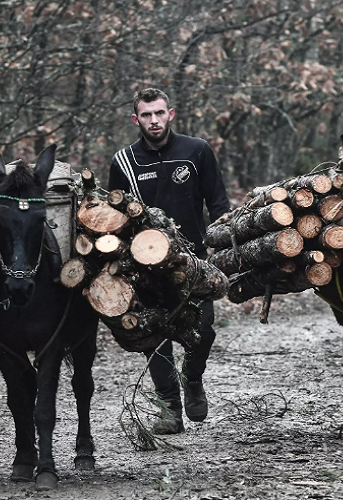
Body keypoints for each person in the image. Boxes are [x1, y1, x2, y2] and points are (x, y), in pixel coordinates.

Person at [108, 88, 230, 434]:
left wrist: (220, 245)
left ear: (171, 113)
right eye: (146, 115)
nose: (154, 121)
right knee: (156, 336)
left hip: (194, 261)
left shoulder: (196, 151)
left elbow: (218, 202)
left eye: (159, 113)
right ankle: (169, 410)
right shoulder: (123, 161)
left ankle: (193, 380)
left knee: (201, 331)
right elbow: (114, 216)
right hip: (144, 267)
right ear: (136, 120)